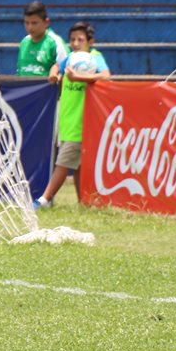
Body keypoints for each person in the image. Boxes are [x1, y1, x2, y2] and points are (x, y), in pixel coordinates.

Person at [34, 21, 110, 210]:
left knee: (63, 163)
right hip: (67, 121)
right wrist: (53, 74)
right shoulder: (70, 58)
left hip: (82, 122)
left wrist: (79, 78)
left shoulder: (95, 58)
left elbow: (106, 75)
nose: (75, 43)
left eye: (80, 40)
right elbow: (56, 66)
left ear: (90, 42)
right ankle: (83, 202)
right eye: (72, 39)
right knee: (77, 165)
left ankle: (44, 200)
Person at [16, 0, 68, 78]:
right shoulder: (24, 42)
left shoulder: (56, 43)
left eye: (34, 23)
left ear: (46, 22)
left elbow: (66, 72)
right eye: (26, 23)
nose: (30, 27)